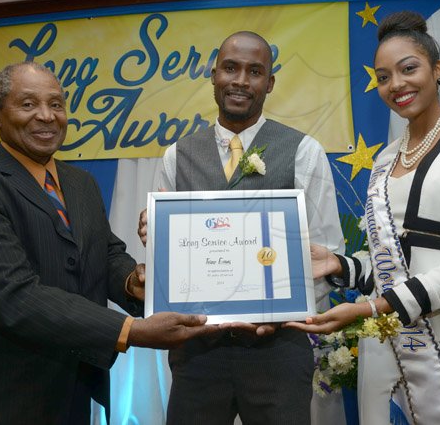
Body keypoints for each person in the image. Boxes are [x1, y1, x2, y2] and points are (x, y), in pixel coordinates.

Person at [0, 61, 217, 425]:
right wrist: (129, 331)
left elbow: (105, 253)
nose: (46, 116)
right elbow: (13, 295)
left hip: (73, 389)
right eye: (28, 104)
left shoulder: (79, 182)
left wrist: (133, 281)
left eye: (56, 104)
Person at [286, 11, 440, 424]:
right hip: (387, 349)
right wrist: (341, 265)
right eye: (382, 77)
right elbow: (394, 262)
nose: (396, 84)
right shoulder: (385, 159)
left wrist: (371, 309)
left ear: (437, 69)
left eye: (408, 68)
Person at [138, 31, 349, 425]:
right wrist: (156, 240)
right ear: (213, 74)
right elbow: (168, 256)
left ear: (269, 83)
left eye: (255, 71)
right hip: (198, 353)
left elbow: (325, 252)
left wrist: (288, 315)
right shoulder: (176, 156)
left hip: (279, 353)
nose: (240, 80)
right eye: (230, 68)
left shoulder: (304, 152)